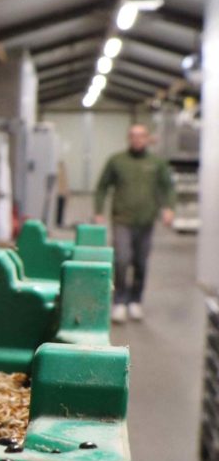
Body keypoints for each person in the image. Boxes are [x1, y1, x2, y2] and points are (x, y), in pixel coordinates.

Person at [94, 124, 175, 323]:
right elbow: (102, 187)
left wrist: (168, 208)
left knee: (141, 261)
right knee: (121, 259)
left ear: (147, 139)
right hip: (122, 218)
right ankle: (119, 301)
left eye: (141, 136)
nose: (137, 139)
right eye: (133, 136)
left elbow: (167, 187)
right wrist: (98, 211)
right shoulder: (117, 161)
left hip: (146, 220)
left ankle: (135, 300)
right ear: (128, 138)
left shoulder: (157, 163)